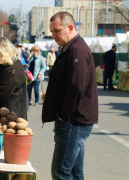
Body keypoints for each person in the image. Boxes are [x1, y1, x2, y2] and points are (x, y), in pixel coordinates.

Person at [42, 12, 98, 180]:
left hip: (73, 121)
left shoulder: (76, 50)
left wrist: (63, 114)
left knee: (61, 172)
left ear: (70, 27)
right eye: (51, 32)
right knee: (73, 172)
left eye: (57, 31)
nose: (53, 36)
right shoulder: (72, 48)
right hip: (74, 120)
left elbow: (76, 86)